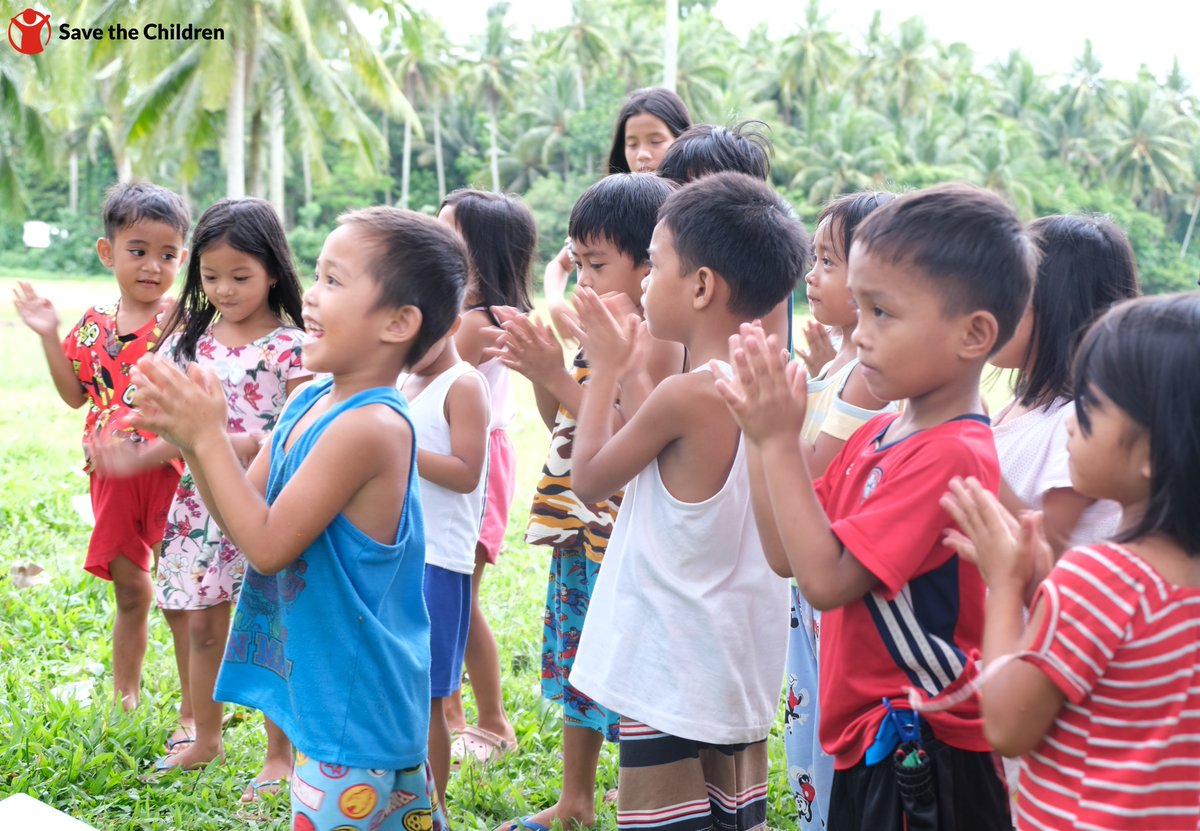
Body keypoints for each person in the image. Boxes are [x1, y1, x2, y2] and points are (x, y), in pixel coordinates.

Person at [129, 206, 468, 831]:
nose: (310, 295)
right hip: (327, 691)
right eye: (317, 275)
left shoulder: (372, 426)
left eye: (334, 281)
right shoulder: (310, 397)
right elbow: (244, 514)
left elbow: (266, 547)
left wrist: (205, 436)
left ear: (399, 322)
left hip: (356, 704)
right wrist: (189, 436)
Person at [716, 183, 1036, 831]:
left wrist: (778, 438)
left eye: (882, 313)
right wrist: (758, 435)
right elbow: (787, 554)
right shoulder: (876, 436)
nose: (859, 335)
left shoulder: (952, 453)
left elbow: (828, 581)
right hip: (877, 738)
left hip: (931, 748)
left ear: (975, 333)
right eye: (857, 310)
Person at [567, 171, 809, 831]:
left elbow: (588, 477)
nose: (644, 281)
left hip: (670, 672)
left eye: (658, 263)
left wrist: (607, 366)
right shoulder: (773, 380)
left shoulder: (688, 394)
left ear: (701, 285)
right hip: (735, 669)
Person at [940, 293, 1200, 831]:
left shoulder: (1101, 578)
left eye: (1088, 408)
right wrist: (1044, 588)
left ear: (1154, 448)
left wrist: (1007, 586)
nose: (1068, 425)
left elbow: (1008, 725)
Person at [95, 199, 309, 800]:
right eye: (211, 277)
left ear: (272, 270)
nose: (224, 289)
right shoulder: (192, 341)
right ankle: (206, 737)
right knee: (201, 625)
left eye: (240, 277)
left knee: (271, 625)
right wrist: (135, 452)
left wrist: (222, 438)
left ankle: (279, 753)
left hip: (267, 500)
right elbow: (166, 424)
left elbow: (302, 431)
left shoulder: (293, 346)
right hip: (196, 509)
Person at [487, 172, 676, 831]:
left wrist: (557, 377)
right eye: (581, 262)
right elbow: (562, 417)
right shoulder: (602, 330)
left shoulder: (654, 343)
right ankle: (574, 800)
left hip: (624, 527)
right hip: (578, 525)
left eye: (598, 264)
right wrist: (548, 372)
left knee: (623, 665)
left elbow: (631, 435)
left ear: (652, 264)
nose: (587, 279)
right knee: (580, 662)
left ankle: (633, 801)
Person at [12, 181, 190, 711]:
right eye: (138, 251)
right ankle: (125, 698)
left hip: (170, 471)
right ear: (107, 252)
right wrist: (49, 334)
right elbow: (74, 396)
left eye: (168, 254)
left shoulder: (183, 322)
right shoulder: (92, 326)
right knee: (131, 591)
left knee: (181, 596)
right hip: (110, 478)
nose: (152, 266)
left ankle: (192, 709)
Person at [764, 192, 897, 828]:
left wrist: (770, 427)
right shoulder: (843, 361)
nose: (811, 276)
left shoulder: (870, 373)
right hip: (810, 582)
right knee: (806, 727)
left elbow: (811, 473)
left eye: (827, 261)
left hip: (831, 573)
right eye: (813, 259)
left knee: (825, 734)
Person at [436, 189, 534, 765]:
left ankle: (488, 721)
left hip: (472, 461)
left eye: (452, 233)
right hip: (461, 455)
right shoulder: (473, 314)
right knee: (448, 593)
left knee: (458, 596)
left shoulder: (475, 322)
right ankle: (453, 715)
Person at [988, 215, 1139, 555]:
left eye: (1008, 295)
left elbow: (1047, 548)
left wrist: (968, 450)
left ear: (1057, 306)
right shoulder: (1021, 403)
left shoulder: (1078, 424)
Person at [397, 319, 490, 805]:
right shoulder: (402, 380)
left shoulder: (464, 384)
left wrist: (398, 447)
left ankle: (429, 806)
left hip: (438, 560)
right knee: (394, 685)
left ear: (451, 320)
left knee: (429, 696)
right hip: (395, 554)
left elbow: (466, 472)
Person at [543, 88, 691, 314]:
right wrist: (555, 305)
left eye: (655, 140)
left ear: (681, 140)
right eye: (632, 144)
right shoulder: (615, 209)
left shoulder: (691, 214)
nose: (642, 154)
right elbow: (560, 264)